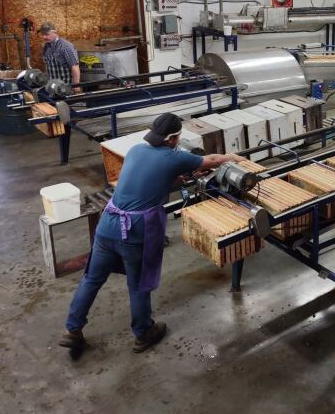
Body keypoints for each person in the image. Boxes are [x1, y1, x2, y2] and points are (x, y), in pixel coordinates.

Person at [60, 113, 245, 355]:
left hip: (107, 225)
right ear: (172, 139)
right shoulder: (174, 156)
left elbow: (147, 180)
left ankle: (72, 330)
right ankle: (143, 332)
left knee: (92, 279)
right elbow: (209, 160)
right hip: (133, 231)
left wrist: (176, 178)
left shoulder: (136, 150)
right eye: (178, 136)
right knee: (138, 284)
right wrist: (232, 157)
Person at [39, 22, 81, 93]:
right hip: (52, 86)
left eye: (47, 34)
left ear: (55, 32)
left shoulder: (65, 46)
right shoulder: (46, 46)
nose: (44, 37)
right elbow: (47, 65)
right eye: (42, 35)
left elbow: (75, 67)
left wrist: (76, 85)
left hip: (65, 87)